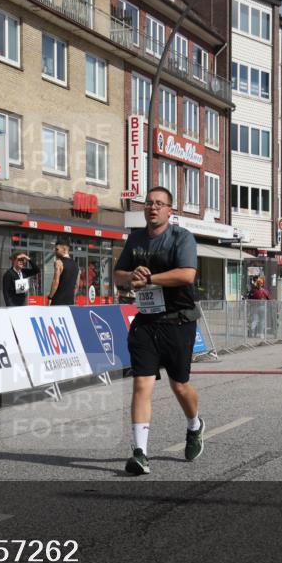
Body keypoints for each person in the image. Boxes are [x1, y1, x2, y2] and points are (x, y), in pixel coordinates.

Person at [113, 186, 202, 476]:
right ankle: (140, 453)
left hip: (178, 320)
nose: (153, 207)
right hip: (146, 320)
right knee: (141, 384)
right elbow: (118, 276)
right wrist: (131, 276)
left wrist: (149, 278)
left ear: (169, 210)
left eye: (160, 204)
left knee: (179, 385)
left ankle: (194, 425)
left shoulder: (181, 237)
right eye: (149, 203)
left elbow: (187, 274)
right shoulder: (135, 239)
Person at [47, 237, 79, 306]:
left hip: (58, 302)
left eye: (57, 249)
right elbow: (76, 285)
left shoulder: (58, 263)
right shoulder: (76, 265)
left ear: (64, 249)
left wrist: (50, 297)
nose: (55, 251)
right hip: (70, 303)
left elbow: (55, 282)